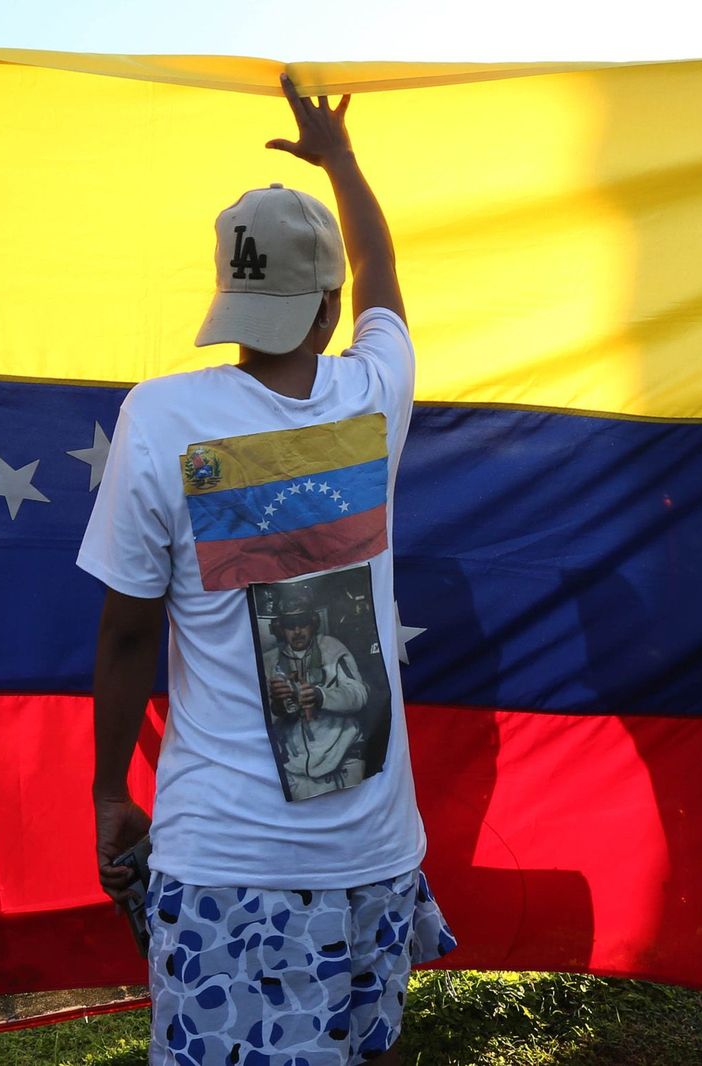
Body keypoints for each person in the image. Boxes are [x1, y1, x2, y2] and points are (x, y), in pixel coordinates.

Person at [78, 73, 455, 1065]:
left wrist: (110, 788)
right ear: (326, 304)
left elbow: (125, 632)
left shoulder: (161, 422)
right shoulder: (373, 401)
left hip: (219, 860)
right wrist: (341, 163)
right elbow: (387, 288)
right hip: (371, 852)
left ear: (230, 300)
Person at [264, 585, 371, 801]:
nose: (297, 631)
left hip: (343, 765)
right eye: (290, 625)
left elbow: (359, 694)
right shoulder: (268, 661)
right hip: (295, 775)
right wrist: (276, 708)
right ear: (279, 628)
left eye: (303, 623)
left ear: (313, 623)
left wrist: (321, 696)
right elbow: (249, 715)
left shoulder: (332, 648)